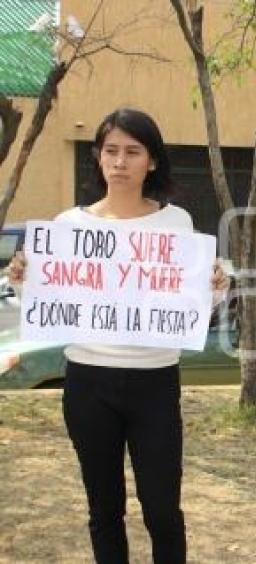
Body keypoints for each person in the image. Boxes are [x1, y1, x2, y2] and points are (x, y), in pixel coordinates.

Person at [7, 108, 229, 563]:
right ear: (98, 157)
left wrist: (216, 291)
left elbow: (191, 305)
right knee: (104, 508)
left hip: (154, 382)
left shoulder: (177, 224)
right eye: (111, 151)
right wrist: (23, 278)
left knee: (162, 509)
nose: (121, 161)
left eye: (132, 151)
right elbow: (48, 299)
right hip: (88, 381)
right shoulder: (69, 226)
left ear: (151, 161)